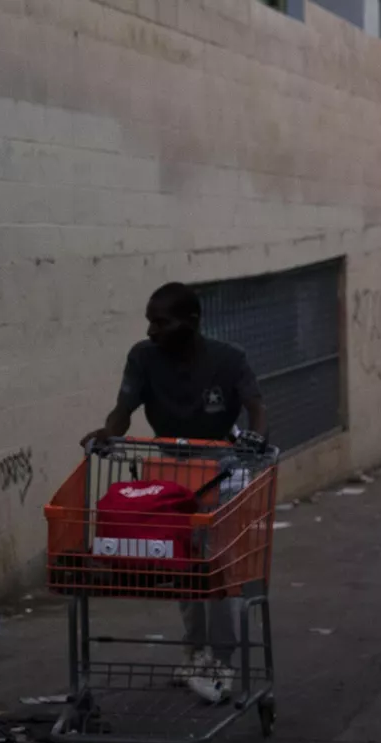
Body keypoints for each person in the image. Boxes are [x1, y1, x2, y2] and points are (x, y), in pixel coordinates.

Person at [82, 282, 267, 705]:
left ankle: (221, 661)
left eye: (161, 322)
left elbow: (256, 405)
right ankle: (194, 651)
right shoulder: (143, 358)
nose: (152, 330)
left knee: (217, 566)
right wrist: (109, 433)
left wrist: (255, 440)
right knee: (184, 564)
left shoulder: (228, 359)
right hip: (170, 468)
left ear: (192, 321)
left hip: (222, 466)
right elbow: (124, 409)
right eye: (150, 321)